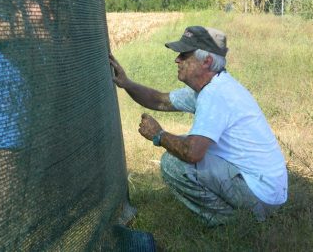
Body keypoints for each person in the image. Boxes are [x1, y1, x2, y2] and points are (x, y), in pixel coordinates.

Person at [109, 26, 288, 227]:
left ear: (207, 61)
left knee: (173, 162)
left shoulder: (215, 95)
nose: (177, 59)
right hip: (267, 190)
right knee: (185, 141)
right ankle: (243, 218)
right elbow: (159, 100)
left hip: (262, 195)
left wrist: (159, 135)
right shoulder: (212, 87)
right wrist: (127, 83)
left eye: (184, 55)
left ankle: (231, 223)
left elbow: (192, 154)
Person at [0, 0, 55, 248]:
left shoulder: (38, 37)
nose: (51, 16)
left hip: (25, 130)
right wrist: (35, 28)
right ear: (23, 2)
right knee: (1, 205)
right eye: (45, 8)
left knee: (22, 201)